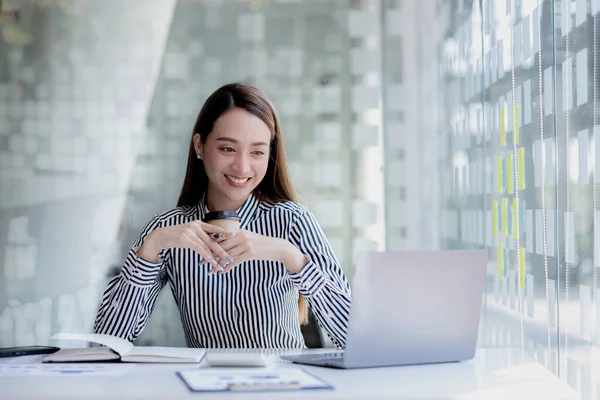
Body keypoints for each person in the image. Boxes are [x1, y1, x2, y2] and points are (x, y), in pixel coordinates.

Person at [94, 83, 351, 349]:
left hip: (283, 385)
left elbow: (351, 335)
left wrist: (292, 257)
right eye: (228, 149)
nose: (242, 166)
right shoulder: (168, 229)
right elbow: (107, 342)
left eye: (257, 152)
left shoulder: (293, 221)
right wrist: (151, 248)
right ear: (199, 145)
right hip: (203, 387)